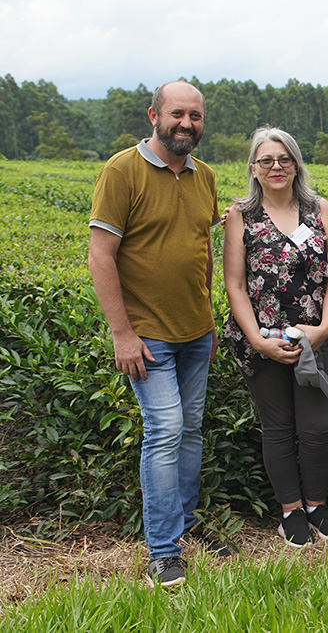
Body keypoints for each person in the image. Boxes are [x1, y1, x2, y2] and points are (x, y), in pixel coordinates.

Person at [87, 81, 220, 587]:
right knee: (164, 432)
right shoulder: (123, 170)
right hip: (148, 337)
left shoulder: (204, 176)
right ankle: (163, 551)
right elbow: (102, 255)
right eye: (177, 114)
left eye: (196, 116)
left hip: (194, 332)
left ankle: (185, 525)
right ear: (153, 115)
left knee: (188, 433)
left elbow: (200, 252)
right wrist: (122, 333)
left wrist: (208, 323)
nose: (187, 124)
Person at [222, 127, 328, 547]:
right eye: (266, 161)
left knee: (317, 427)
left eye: (284, 159)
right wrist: (257, 340)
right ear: (253, 169)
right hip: (263, 340)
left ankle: (316, 505)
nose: (276, 167)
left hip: (313, 335)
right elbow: (235, 284)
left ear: (296, 163)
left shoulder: (319, 208)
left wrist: (325, 327)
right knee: (277, 428)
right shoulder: (240, 215)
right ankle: (290, 511)